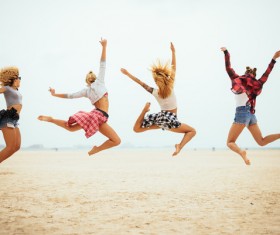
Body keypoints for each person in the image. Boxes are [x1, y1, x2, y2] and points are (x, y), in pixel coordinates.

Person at [38, 38, 121, 155]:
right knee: (116, 141)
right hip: (100, 117)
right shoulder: (100, 82)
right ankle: (97, 149)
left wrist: (54, 94)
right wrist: (104, 47)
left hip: (94, 115)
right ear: (94, 78)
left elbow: (70, 96)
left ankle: (51, 120)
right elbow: (103, 64)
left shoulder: (86, 91)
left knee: (71, 128)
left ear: (87, 81)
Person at [121, 42, 196, 156]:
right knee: (192, 131)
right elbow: (173, 67)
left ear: (156, 81)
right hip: (170, 119)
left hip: (161, 118)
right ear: (165, 79)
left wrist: (127, 74)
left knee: (137, 129)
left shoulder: (154, 91)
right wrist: (173, 52)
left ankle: (144, 111)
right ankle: (179, 146)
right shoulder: (170, 86)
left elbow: (140, 83)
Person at [221, 47, 280, 165]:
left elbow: (228, 67)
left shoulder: (238, 79)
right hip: (251, 114)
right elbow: (267, 73)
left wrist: (226, 52)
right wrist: (273, 58)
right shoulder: (257, 84)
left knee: (230, 142)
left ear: (246, 73)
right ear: (254, 75)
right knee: (261, 142)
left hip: (241, 113)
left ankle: (242, 153)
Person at [0, 67, 22, 163]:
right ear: (11, 80)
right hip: (8, 117)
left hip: (15, 119)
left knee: (16, 146)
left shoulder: (16, 90)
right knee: (10, 147)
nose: (19, 80)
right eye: (17, 78)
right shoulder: (7, 88)